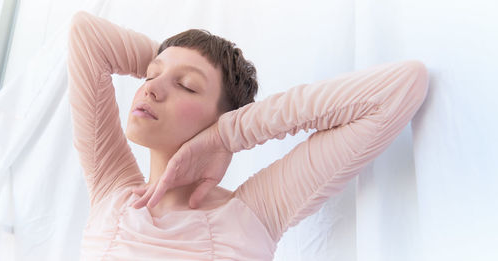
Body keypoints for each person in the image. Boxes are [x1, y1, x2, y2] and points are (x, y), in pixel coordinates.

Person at [67, 10, 429, 260]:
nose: (150, 89)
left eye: (187, 86)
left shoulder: (257, 212)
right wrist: (172, 60)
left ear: (223, 118)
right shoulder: (110, 188)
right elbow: (86, 35)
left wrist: (228, 135)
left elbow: (401, 87)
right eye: (149, 75)